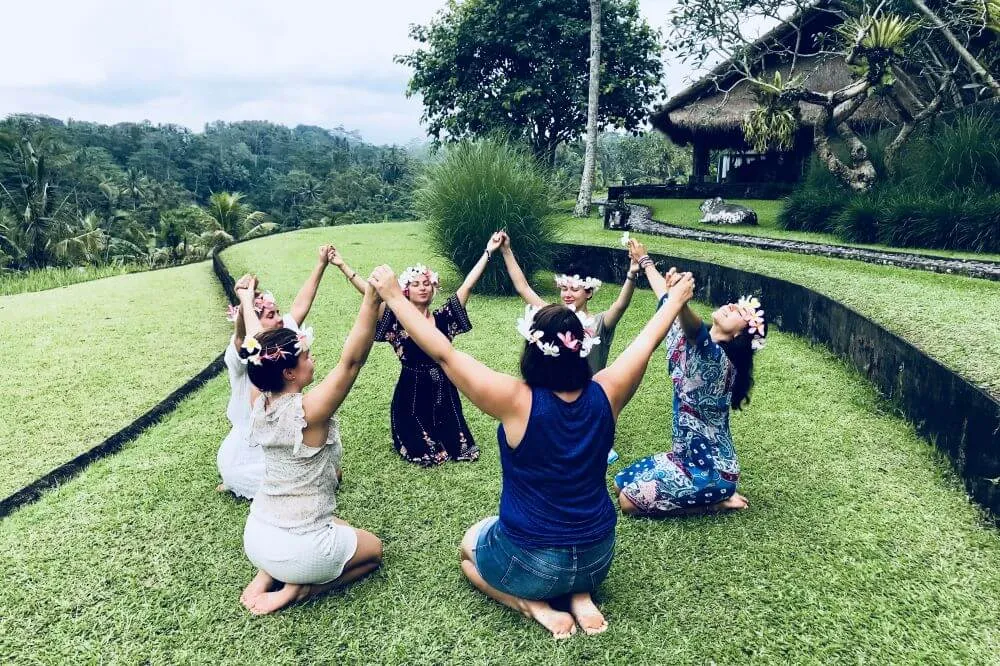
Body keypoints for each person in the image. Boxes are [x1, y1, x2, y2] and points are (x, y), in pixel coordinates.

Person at [367, 263, 696, 639]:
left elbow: (444, 354)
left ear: (532, 349)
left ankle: (533, 606)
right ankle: (580, 595)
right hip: (597, 558)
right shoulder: (609, 390)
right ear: (582, 349)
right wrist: (673, 300)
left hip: (533, 564)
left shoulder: (515, 400)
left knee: (469, 549)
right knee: (564, 553)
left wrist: (394, 296)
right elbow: (645, 343)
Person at [238, 282, 384, 615]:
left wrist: (246, 300)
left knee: (339, 523)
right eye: (306, 355)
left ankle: (268, 574)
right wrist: (370, 301)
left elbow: (255, 344)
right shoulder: (309, 412)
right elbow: (351, 363)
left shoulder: (258, 401)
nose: (312, 358)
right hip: (302, 552)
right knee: (374, 551)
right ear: (289, 372)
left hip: (256, 536)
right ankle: (299, 589)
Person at [613, 239, 764, 516]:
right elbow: (665, 300)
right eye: (736, 304)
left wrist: (680, 301)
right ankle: (710, 496)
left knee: (627, 502)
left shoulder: (719, 362)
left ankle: (716, 502)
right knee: (620, 482)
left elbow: (696, 331)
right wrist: (645, 261)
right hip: (682, 459)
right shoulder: (685, 338)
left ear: (739, 335)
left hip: (713, 471)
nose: (732, 306)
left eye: (742, 313)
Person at [329, 233, 504, 465]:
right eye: (415, 284)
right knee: (424, 450)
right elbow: (370, 293)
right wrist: (342, 265)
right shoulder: (394, 318)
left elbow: (468, 285)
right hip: (411, 392)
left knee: (460, 447)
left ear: (433, 289)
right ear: (405, 291)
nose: (422, 288)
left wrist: (488, 251)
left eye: (426, 284)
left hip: (444, 388)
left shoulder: (445, 317)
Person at [497, 230, 639, 463]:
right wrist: (506, 250)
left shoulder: (600, 323)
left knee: (589, 442)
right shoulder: (552, 317)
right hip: (557, 392)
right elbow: (524, 288)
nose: (567, 294)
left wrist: (632, 273)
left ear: (589, 292)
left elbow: (620, 305)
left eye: (574, 289)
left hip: (590, 396)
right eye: (564, 288)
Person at [217, 246, 335, 498]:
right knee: (247, 477)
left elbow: (301, 304)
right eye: (271, 315)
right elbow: (242, 338)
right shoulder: (247, 349)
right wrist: (245, 303)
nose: (280, 319)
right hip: (250, 442)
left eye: (278, 312)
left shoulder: (281, 337)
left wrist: (321, 264)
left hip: (283, 428)